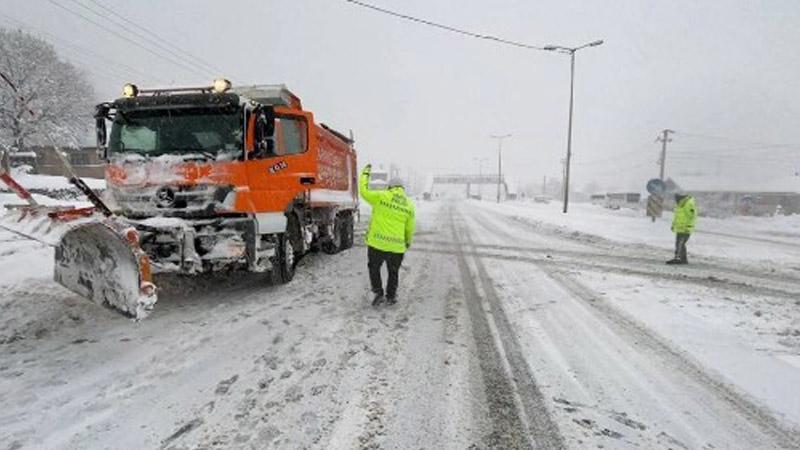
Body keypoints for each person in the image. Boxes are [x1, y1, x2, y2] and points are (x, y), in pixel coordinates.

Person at [359, 164, 416, 306]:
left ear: (390, 187)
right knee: (393, 271)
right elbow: (410, 227)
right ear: (402, 189)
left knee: (374, 267)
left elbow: (363, 191)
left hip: (377, 244)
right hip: (397, 247)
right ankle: (391, 296)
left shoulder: (381, 196)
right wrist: (407, 242)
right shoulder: (409, 204)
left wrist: (365, 174)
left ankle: (378, 292)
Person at [667, 192, 697, 265]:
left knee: (681, 243)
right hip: (680, 228)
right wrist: (673, 225)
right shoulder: (680, 204)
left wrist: (688, 225)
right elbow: (677, 217)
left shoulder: (688, 204)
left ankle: (679, 258)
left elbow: (692, 215)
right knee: (679, 243)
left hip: (686, 228)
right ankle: (682, 258)